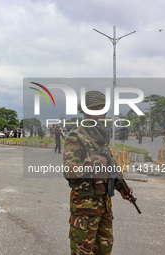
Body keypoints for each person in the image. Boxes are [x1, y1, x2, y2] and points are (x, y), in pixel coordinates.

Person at [63, 90, 133, 254]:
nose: (102, 114)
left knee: (104, 250)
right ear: (87, 111)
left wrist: (122, 188)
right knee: (83, 251)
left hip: (104, 206)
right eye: (97, 109)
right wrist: (92, 162)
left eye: (104, 109)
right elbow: (69, 171)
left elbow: (110, 168)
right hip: (84, 210)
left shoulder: (100, 137)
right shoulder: (76, 137)